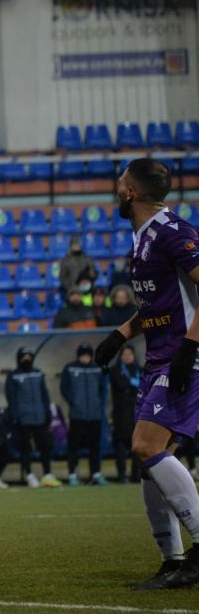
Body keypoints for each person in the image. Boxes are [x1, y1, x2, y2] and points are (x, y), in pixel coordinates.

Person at [91, 158, 199, 589]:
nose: (117, 189)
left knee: (145, 445)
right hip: (160, 355)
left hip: (183, 356)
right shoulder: (142, 240)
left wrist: (189, 348)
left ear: (130, 193)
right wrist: (121, 335)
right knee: (150, 460)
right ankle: (174, 562)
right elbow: (157, 305)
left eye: (120, 183)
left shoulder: (174, 233)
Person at [5, 347, 59, 488]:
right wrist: (15, 416)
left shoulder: (38, 374)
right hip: (23, 418)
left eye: (29, 356)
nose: (27, 358)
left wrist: (47, 412)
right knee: (25, 448)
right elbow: (11, 398)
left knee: (45, 446)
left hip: (40, 417)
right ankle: (29, 475)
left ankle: (47, 474)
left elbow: (44, 395)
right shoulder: (13, 376)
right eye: (24, 356)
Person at [61, 344, 107, 486]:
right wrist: (74, 403)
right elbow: (64, 388)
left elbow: (103, 390)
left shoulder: (97, 368)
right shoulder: (70, 368)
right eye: (83, 354)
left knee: (94, 446)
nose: (85, 357)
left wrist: (98, 405)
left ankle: (96, 473)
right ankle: (73, 474)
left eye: (87, 355)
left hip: (95, 415)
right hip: (76, 415)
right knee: (74, 446)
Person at [109, 344, 142, 483]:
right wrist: (132, 386)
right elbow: (121, 385)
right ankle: (122, 475)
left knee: (138, 446)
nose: (127, 356)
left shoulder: (140, 370)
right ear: (121, 356)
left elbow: (142, 387)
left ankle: (136, 476)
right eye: (125, 354)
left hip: (138, 413)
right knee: (121, 446)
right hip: (121, 414)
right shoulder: (115, 370)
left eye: (130, 354)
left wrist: (130, 387)